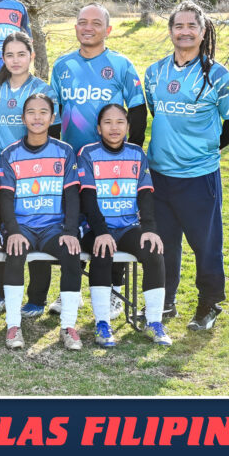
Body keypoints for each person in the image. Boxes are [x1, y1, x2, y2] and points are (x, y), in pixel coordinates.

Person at [144, 0, 229, 331]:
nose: (184, 32)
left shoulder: (217, 74)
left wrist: (206, 150)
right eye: (178, 26)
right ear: (170, 31)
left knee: (205, 244)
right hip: (159, 174)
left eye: (192, 26)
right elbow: (158, 113)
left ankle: (209, 304)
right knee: (164, 242)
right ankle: (165, 301)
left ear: (203, 33)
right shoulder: (154, 72)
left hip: (198, 176)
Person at [49, 2, 147, 318]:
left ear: (108, 29)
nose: (87, 27)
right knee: (75, 224)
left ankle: (115, 293)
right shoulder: (62, 66)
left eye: (95, 22)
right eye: (81, 22)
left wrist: (129, 158)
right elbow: (53, 115)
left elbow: (137, 112)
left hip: (112, 166)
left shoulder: (120, 65)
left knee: (113, 222)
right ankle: (71, 293)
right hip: (75, 165)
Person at [78, 104, 172, 347]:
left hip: (128, 227)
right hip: (95, 229)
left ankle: (154, 322)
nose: (114, 127)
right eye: (107, 122)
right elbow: (87, 198)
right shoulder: (87, 153)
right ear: (98, 128)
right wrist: (101, 232)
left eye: (120, 122)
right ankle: (102, 324)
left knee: (153, 249)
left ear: (128, 127)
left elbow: (145, 195)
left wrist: (149, 229)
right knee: (102, 248)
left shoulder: (137, 154)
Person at [0, 93, 82, 350]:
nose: (37, 117)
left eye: (43, 112)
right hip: (21, 226)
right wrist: (12, 230)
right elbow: (5, 198)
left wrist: (69, 231)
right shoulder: (10, 153)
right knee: (15, 249)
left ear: (52, 117)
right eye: (31, 112)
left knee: (71, 251)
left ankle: (68, 326)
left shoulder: (64, 151)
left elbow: (71, 195)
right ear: (23, 118)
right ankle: (13, 326)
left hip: (52, 228)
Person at [0, 32, 61, 315]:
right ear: (3, 58)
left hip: (37, 173)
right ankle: (2, 293)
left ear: (31, 56)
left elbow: (53, 134)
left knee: (39, 226)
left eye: (21, 54)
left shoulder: (43, 89)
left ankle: (36, 298)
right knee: (3, 232)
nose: (15, 60)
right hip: (1, 170)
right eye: (9, 55)